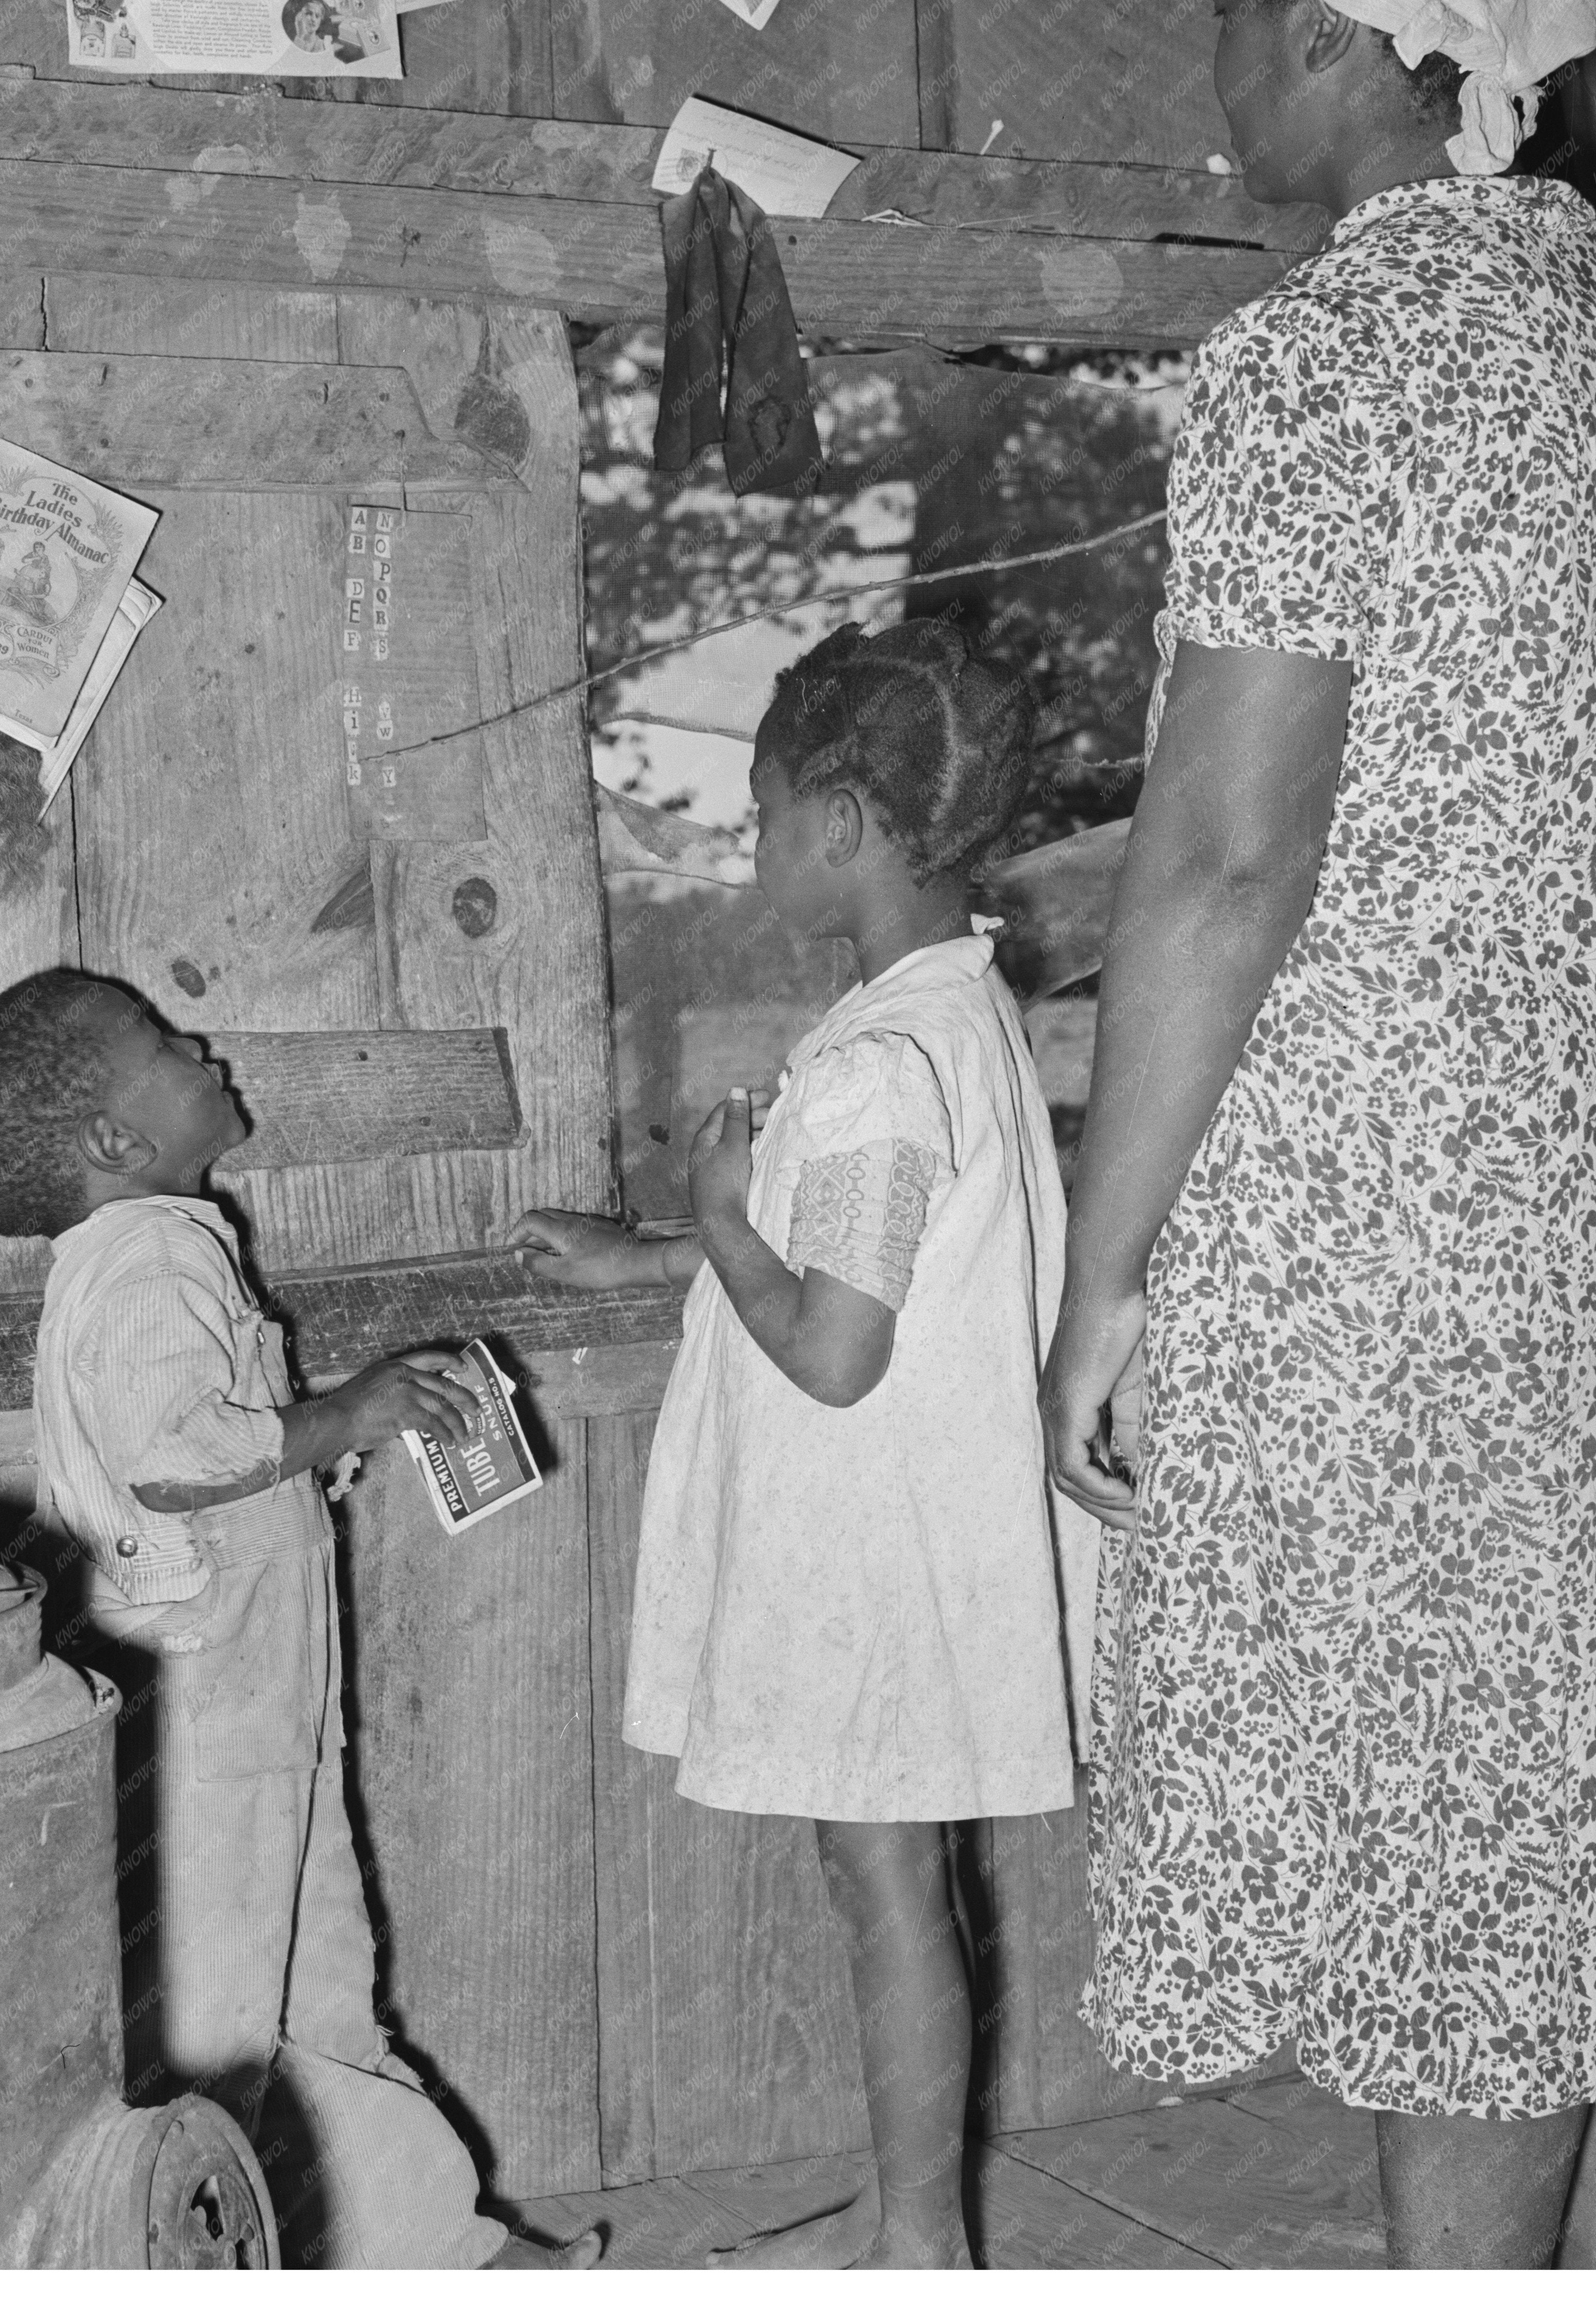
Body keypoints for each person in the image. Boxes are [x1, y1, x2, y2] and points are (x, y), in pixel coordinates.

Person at [1038, 0, 1596, 2269]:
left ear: (1321, 35)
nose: (1213, 48)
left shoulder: (1321, 363)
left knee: (1457, 1890)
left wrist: (1107, 1278)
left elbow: (1220, 859)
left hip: (1397, 1239)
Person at [510, 621, 1100, 2269]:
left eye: (765, 816)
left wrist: (715, 1209)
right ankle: (902, 2208)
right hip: (916, 1528)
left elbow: (836, 1345)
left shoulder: (873, 1071)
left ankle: (922, 2246)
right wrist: (652, 1253)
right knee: (890, 1874)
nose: (758, 848)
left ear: (841, 826)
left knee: (887, 1882)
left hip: (875, 1535)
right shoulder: (950, 1013)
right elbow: (873, 1252)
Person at [0, 969, 601, 2272]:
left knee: (317, 1994)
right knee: (239, 2027)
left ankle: (444, 2259)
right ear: (116, 1145)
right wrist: (351, 1414)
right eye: (172, 1047)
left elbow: (213, 1451)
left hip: (255, 1705)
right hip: (216, 1708)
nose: (206, 1048)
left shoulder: (152, 1250)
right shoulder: (152, 1260)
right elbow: (176, 1454)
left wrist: (341, 1426)